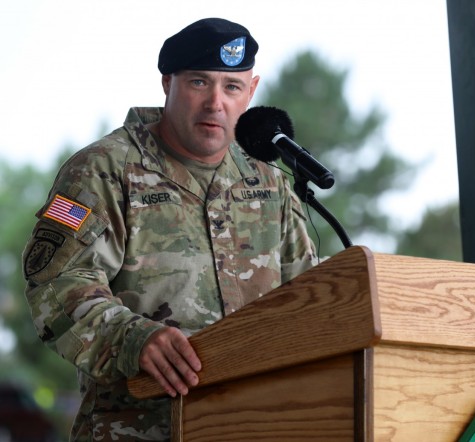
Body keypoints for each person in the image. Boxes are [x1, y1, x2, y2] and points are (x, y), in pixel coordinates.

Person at [22, 18, 317, 441]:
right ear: (168, 83)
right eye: (199, 83)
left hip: (255, 425)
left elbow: (306, 297)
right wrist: (133, 339)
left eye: (231, 87)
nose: (216, 102)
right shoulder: (103, 170)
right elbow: (56, 280)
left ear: (251, 93)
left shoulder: (268, 181)